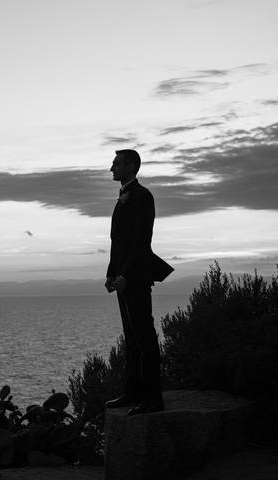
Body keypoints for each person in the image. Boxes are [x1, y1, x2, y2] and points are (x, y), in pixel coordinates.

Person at [103, 149, 165, 416]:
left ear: (130, 166)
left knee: (145, 338)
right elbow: (117, 241)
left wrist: (125, 275)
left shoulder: (143, 196)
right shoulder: (122, 197)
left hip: (136, 278)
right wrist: (111, 273)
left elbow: (141, 242)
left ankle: (153, 398)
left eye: (116, 164)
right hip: (122, 279)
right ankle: (132, 392)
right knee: (131, 339)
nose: (111, 168)